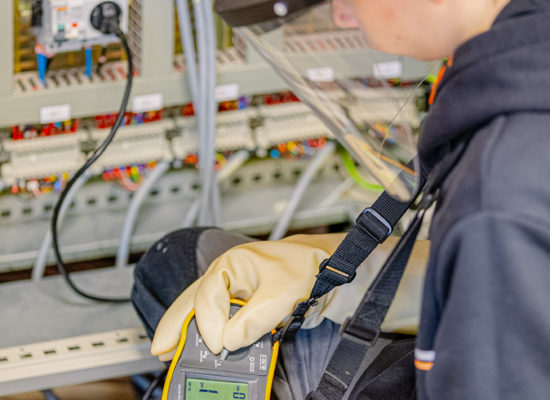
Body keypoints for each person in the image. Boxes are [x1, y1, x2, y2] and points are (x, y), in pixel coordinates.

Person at [132, 0, 550, 398]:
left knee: (183, 274)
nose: (344, 16)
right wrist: (341, 281)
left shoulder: (498, 187)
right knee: (187, 262)